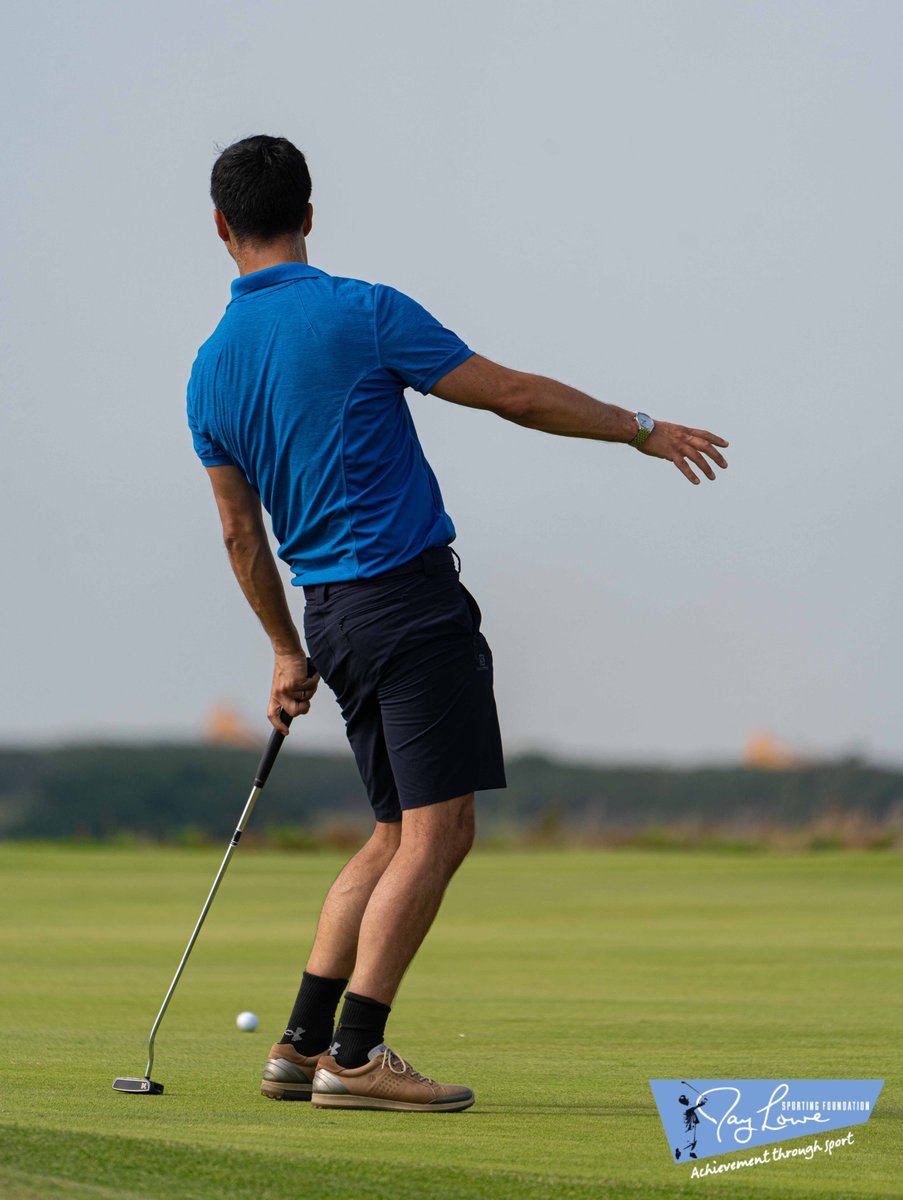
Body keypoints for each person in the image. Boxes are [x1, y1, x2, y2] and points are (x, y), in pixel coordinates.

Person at [186, 134, 728, 1114]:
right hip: (409, 605)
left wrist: (282, 649)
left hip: (331, 618)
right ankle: (357, 1057)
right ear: (310, 214)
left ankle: (302, 1043)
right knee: (440, 835)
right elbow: (514, 397)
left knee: (392, 834)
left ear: (221, 226)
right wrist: (642, 430)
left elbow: (238, 534)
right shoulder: (361, 310)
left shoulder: (210, 368)